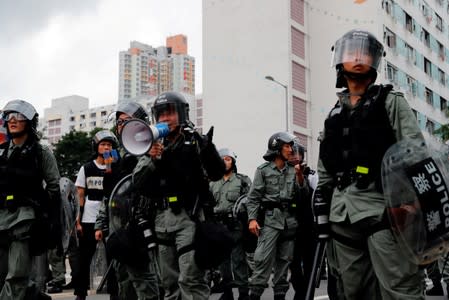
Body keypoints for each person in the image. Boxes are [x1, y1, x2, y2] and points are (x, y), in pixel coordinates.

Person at [317, 29, 425, 300]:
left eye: (363, 53)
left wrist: (410, 204)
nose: (357, 58)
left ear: (373, 61)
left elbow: (415, 154)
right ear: (340, 62)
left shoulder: (391, 103)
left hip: (385, 212)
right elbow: (325, 167)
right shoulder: (334, 113)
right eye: (350, 53)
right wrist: (322, 202)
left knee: (400, 290)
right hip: (342, 216)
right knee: (351, 291)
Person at [133, 91, 225, 300]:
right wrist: (152, 158)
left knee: (191, 280)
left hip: (188, 219)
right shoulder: (151, 144)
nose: (165, 119)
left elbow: (216, 173)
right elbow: (137, 183)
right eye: (161, 114)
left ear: (182, 114)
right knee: (169, 283)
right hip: (160, 220)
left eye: (171, 113)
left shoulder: (194, 142)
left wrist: (207, 148)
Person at [95, 101, 160, 300]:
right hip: (118, 224)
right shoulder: (115, 155)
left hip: (141, 222)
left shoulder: (149, 148)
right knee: (122, 277)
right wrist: (101, 222)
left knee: (143, 276)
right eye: (119, 121)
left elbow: (142, 182)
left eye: (126, 120)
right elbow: (110, 193)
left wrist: (150, 156)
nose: (122, 125)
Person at [0, 99, 61, 300]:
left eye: (18, 116)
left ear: (29, 122)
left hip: (24, 222)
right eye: (9, 116)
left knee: (16, 277)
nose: (13, 120)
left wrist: (47, 218)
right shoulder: (1, 151)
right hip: (1, 220)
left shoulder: (40, 152)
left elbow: (54, 187)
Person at [246, 132, 308, 300]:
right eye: (287, 146)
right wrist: (252, 219)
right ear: (277, 148)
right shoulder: (263, 170)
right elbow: (253, 198)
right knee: (262, 262)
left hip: (289, 223)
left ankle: (279, 296)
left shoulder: (293, 169)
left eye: (291, 146)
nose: (290, 150)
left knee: (284, 263)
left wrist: (299, 175)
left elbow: (303, 195)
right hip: (270, 222)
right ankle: (254, 296)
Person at [74, 130, 119, 300]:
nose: (106, 147)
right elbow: (80, 194)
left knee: (113, 257)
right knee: (84, 258)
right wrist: (77, 221)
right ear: (96, 146)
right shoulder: (86, 167)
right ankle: (80, 293)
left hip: (110, 217)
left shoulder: (115, 168)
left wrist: (110, 166)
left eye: (109, 145)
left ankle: (115, 293)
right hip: (89, 218)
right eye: (103, 144)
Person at [209, 148, 252, 300]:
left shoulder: (242, 180)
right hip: (218, 226)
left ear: (233, 162)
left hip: (235, 226)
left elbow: (250, 201)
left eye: (228, 159)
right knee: (222, 262)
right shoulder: (212, 181)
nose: (225, 162)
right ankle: (227, 293)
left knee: (238, 260)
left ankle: (243, 293)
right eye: (222, 159)